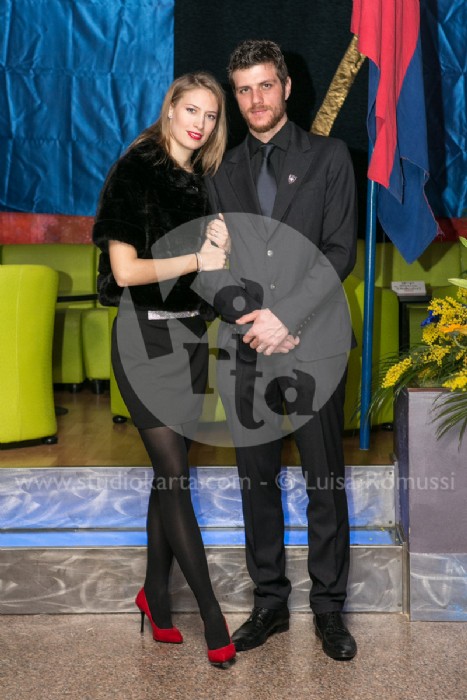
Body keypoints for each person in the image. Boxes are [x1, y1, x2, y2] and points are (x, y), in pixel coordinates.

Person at [194, 40, 358, 661]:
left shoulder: (330, 157)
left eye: (265, 85)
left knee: (324, 479)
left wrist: (286, 317)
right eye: (243, 89)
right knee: (255, 480)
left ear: (286, 87)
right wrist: (253, 320)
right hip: (246, 348)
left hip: (315, 344)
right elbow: (210, 265)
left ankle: (329, 609)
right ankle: (269, 603)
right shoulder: (219, 170)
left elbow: (338, 250)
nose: (255, 99)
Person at [92, 72, 236, 668]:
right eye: (191, 109)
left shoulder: (201, 182)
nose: (200, 123)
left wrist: (221, 253)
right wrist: (198, 256)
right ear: (170, 109)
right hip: (143, 337)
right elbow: (125, 271)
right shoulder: (136, 168)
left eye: (210, 114)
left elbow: (204, 272)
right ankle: (212, 616)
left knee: (167, 473)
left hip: (190, 339)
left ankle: (154, 595)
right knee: (174, 474)